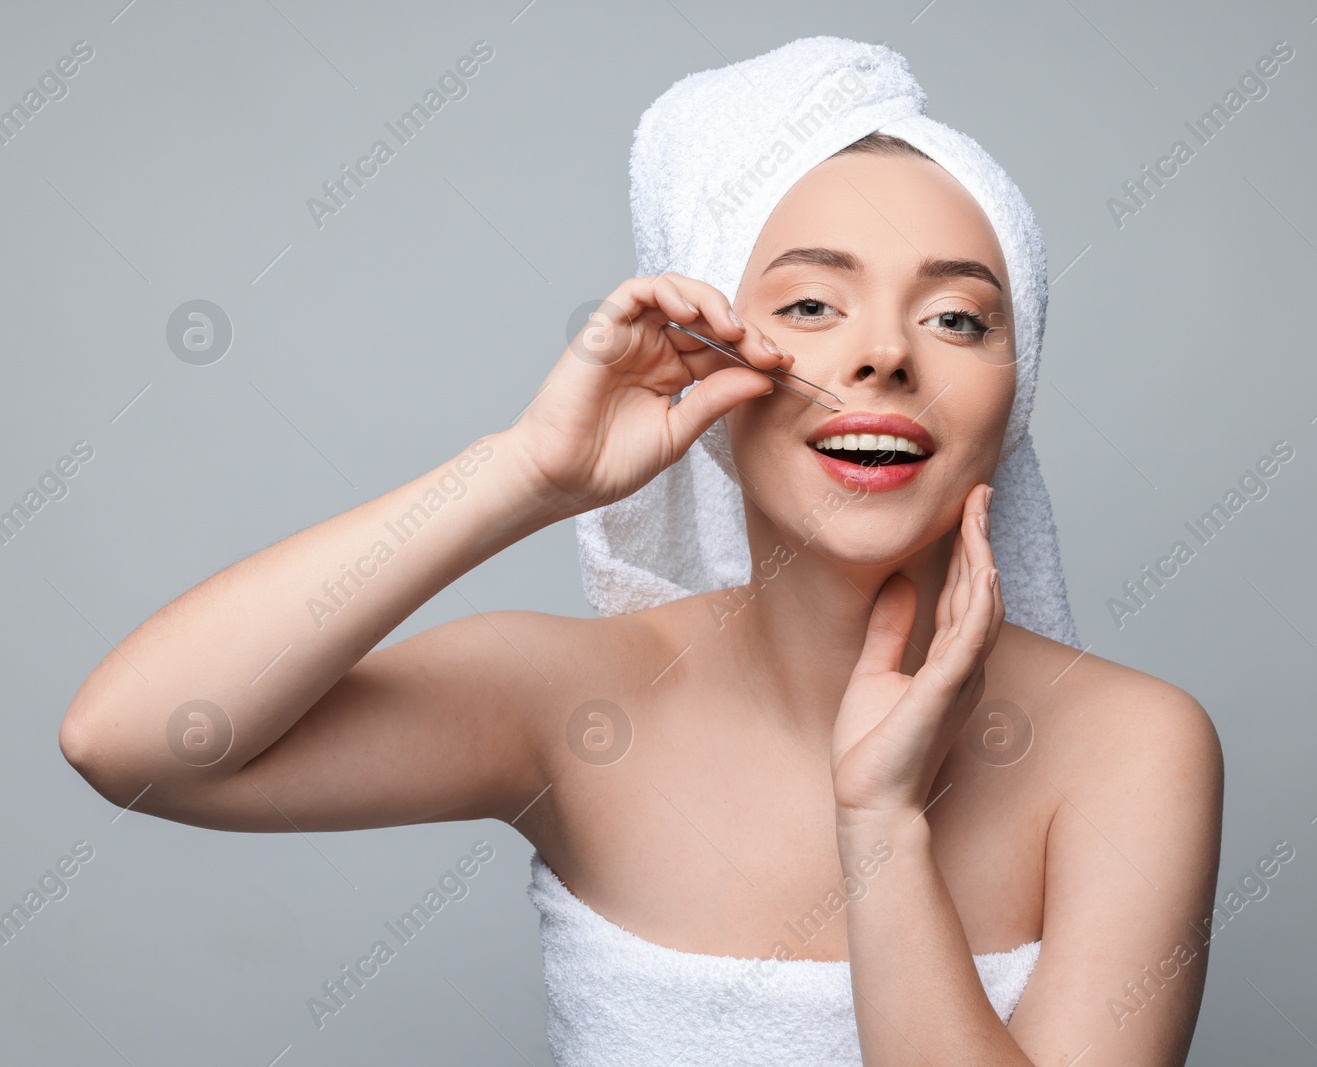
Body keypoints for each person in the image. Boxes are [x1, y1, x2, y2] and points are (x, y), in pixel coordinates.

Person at [59, 36, 1222, 1067]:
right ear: (711, 348)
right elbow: (132, 742)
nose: (885, 354)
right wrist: (526, 472)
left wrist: (881, 823)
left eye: (957, 316)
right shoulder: (578, 705)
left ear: (1013, 394)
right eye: (813, 304)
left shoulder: (1129, 751)